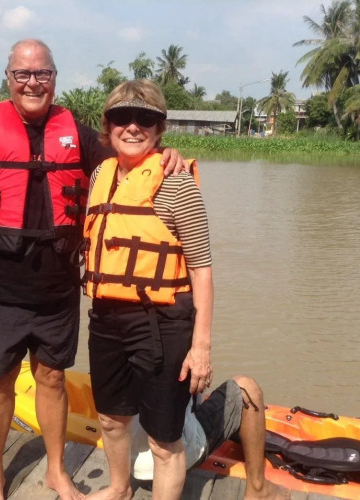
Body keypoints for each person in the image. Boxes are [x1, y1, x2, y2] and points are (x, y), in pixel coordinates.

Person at [0, 40, 186, 500]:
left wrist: (167, 153)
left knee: (54, 378)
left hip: (57, 286)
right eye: (23, 74)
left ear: (54, 79)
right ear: (8, 78)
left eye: (42, 74)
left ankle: (57, 471)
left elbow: (129, 157)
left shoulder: (77, 134)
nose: (32, 82)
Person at [83, 80, 288, 500]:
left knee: (164, 441)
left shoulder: (177, 184)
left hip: (161, 324)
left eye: (146, 118)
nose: (133, 127)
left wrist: (201, 348)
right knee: (111, 420)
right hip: (105, 318)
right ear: (107, 124)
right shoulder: (101, 175)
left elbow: (202, 270)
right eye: (122, 117)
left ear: (160, 128)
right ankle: (119, 488)